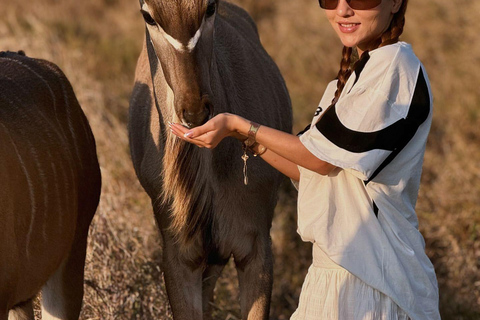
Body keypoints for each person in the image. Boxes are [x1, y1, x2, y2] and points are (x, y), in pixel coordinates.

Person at [169, 0, 440, 318]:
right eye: (330, 0)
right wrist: (244, 138)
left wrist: (238, 124)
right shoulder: (352, 80)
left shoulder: (393, 67)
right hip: (338, 270)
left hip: (375, 281)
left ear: (395, 3)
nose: (342, 11)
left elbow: (320, 160)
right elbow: (306, 168)